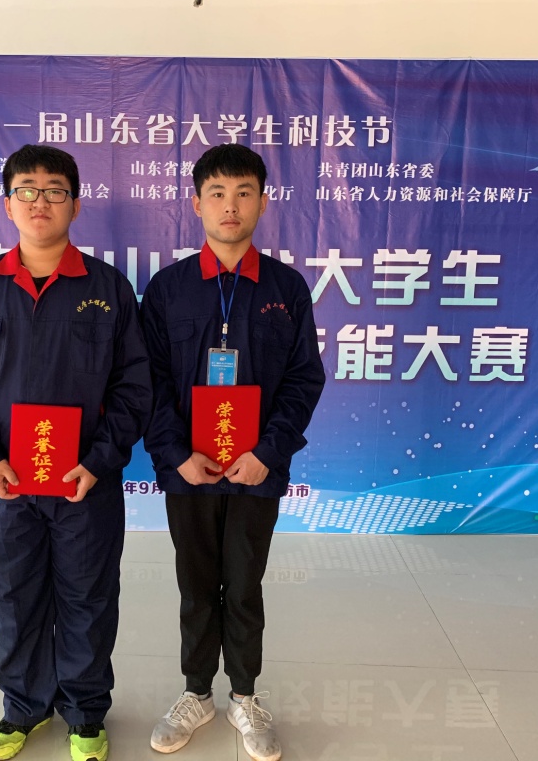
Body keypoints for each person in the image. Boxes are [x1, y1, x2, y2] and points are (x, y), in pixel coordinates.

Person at [0, 144, 151, 761]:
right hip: (8, 482)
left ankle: (85, 712)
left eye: (54, 190)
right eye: (26, 190)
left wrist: (99, 460)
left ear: (75, 204)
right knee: (17, 593)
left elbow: (136, 386)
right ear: (8, 205)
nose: (40, 201)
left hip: (85, 482)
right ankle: (23, 707)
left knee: (88, 596)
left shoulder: (107, 288)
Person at [141, 144, 325, 761]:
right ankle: (196, 693)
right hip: (189, 469)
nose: (230, 205)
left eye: (244, 193)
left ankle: (244, 696)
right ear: (196, 204)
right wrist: (175, 454)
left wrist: (268, 453)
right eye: (217, 193)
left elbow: (303, 379)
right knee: (196, 585)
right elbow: (148, 382)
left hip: (255, 470)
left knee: (244, 584)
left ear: (263, 203)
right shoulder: (168, 290)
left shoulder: (285, 288)